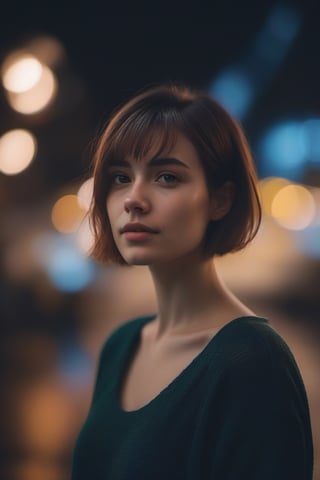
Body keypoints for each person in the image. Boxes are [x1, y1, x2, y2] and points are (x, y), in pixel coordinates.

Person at [71, 84, 313, 479]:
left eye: (166, 176)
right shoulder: (121, 346)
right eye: (119, 177)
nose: (133, 198)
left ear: (221, 199)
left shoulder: (251, 362)